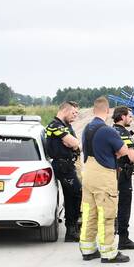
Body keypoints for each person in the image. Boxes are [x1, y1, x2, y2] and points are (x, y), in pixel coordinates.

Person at [79, 97, 134, 264]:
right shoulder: (107, 131)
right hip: (103, 174)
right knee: (107, 214)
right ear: (107, 111)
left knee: (89, 213)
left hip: (88, 172)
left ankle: (88, 250)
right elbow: (123, 151)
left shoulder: (87, 128)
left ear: (93, 110)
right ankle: (109, 253)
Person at [44, 101, 82, 242]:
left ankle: (71, 230)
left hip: (67, 164)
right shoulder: (56, 125)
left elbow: (75, 143)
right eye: (74, 113)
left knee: (72, 195)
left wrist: (73, 144)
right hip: (62, 165)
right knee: (76, 193)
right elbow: (74, 143)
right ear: (65, 110)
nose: (75, 116)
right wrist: (72, 144)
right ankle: (71, 230)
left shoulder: (66, 126)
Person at [112, 106, 134, 251]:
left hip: (113, 173)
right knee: (124, 206)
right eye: (129, 116)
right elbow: (131, 156)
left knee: (112, 205)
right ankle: (123, 239)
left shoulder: (111, 130)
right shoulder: (123, 133)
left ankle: (110, 236)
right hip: (123, 175)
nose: (130, 119)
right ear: (122, 117)